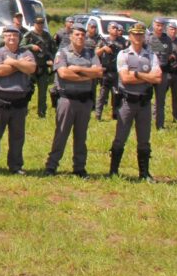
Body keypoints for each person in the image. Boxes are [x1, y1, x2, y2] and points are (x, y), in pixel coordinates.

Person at [45, 23, 102, 177]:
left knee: (81, 136)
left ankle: (79, 168)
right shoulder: (62, 53)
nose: (80, 37)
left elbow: (98, 72)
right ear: (71, 36)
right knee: (61, 134)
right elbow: (64, 74)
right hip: (67, 100)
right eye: (77, 34)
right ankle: (51, 166)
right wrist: (87, 75)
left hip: (84, 101)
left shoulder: (91, 53)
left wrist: (77, 69)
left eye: (83, 35)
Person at [108, 23, 162, 181]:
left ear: (144, 36)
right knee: (120, 137)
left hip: (144, 102)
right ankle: (113, 171)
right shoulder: (123, 54)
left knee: (144, 139)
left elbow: (158, 78)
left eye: (140, 34)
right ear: (130, 36)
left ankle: (144, 173)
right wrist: (146, 76)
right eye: (135, 34)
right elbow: (125, 78)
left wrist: (137, 74)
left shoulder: (151, 55)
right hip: (127, 101)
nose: (138, 37)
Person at [0, 26, 37, 175]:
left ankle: (15, 166)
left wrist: (11, 62)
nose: (12, 38)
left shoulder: (26, 53)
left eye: (15, 36)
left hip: (19, 102)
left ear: (19, 38)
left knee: (17, 137)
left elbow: (31, 68)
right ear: (4, 38)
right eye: (8, 35)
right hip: (0, 102)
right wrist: (20, 65)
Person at [20, 16, 55, 118]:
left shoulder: (47, 36)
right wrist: (31, 46)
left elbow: (53, 49)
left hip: (43, 66)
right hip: (31, 67)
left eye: (41, 24)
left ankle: (42, 113)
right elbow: (21, 47)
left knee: (43, 93)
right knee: (27, 91)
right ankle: (23, 111)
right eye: (38, 24)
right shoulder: (29, 35)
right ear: (34, 24)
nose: (40, 25)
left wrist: (52, 60)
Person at [94, 22, 126, 121]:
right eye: (113, 28)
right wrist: (103, 49)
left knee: (116, 94)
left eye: (117, 28)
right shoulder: (103, 41)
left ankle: (116, 114)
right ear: (108, 30)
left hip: (117, 72)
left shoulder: (122, 41)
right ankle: (98, 115)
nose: (115, 30)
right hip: (106, 72)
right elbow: (96, 53)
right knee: (102, 95)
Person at [146, 18, 174, 130]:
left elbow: (169, 54)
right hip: (150, 71)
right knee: (146, 98)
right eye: (157, 25)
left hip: (162, 72)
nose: (159, 27)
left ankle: (160, 125)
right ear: (153, 25)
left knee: (161, 100)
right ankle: (145, 123)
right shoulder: (148, 38)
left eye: (162, 25)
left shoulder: (167, 39)